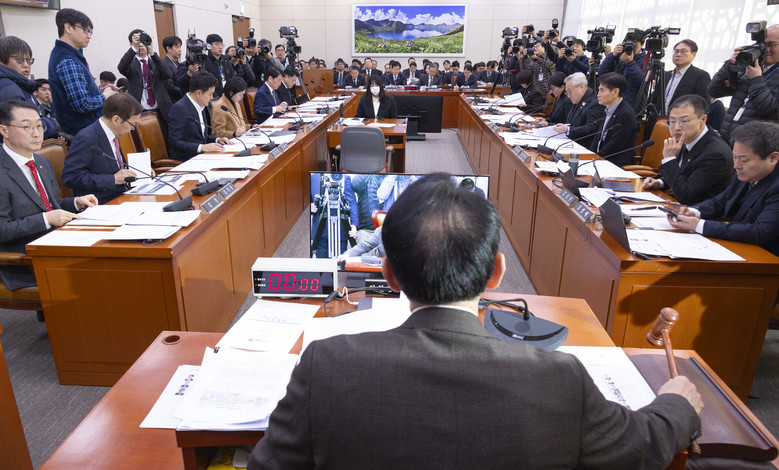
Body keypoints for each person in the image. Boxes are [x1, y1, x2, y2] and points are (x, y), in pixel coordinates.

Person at [248, 172, 703, 469]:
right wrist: (677, 403)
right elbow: (641, 444)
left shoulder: (327, 364)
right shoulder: (557, 377)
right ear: (498, 273)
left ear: (389, 276)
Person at [0, 100, 97, 290]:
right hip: (23, 257)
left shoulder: (41, 162)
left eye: (39, 125)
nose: (36, 133)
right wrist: (46, 219)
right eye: (27, 127)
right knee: (97, 272)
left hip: (55, 242)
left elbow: (50, 205)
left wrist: (76, 203)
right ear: (4, 130)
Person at [668, 120, 779, 256]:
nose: (736, 165)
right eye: (734, 158)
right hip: (737, 248)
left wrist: (699, 225)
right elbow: (722, 201)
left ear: (773, 158)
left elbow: (759, 232)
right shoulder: (748, 172)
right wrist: (694, 211)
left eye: (743, 160)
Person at [643, 95, 733, 205]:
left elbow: (685, 195)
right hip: (678, 207)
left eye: (684, 121)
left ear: (703, 119)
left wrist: (669, 159)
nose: (676, 127)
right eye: (672, 121)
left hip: (699, 215)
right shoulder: (689, 138)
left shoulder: (716, 154)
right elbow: (682, 173)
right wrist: (659, 182)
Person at [62, 93, 143, 204]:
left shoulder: (112, 132)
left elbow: (113, 166)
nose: (133, 129)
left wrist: (142, 171)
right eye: (132, 124)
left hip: (122, 196)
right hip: (100, 202)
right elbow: (71, 177)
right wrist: (112, 179)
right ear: (116, 120)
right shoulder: (86, 138)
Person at [48, 8, 116, 136]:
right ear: (68, 28)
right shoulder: (67, 60)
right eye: (85, 30)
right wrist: (105, 96)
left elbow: (78, 95)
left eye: (90, 31)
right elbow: (82, 104)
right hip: (84, 132)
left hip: (85, 130)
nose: (89, 35)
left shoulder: (69, 55)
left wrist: (101, 91)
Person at [708, 24, 779, 140]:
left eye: (771, 45)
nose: (765, 50)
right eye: (762, 45)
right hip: (728, 137)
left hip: (757, 144)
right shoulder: (749, 66)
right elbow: (714, 90)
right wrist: (730, 66)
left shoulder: (754, 73)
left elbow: (772, 112)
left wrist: (756, 80)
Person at [0, 37, 59, 139]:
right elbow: (26, 129)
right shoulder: (9, 88)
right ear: (2, 60)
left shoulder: (17, 85)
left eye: (28, 60)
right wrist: (53, 124)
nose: (26, 65)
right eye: (19, 60)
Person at [117, 29, 173, 137]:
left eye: (143, 41)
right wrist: (134, 48)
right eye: (138, 41)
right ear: (131, 44)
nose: (141, 44)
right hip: (140, 113)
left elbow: (168, 75)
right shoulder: (131, 64)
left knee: (166, 143)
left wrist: (152, 53)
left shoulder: (156, 61)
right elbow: (121, 68)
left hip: (161, 111)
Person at [167, 71, 232, 161]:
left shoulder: (200, 105)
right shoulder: (179, 109)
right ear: (198, 93)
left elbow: (200, 137)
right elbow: (174, 142)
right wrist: (201, 147)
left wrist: (217, 140)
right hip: (187, 161)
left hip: (202, 158)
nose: (212, 97)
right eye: (210, 94)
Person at [588, 73, 638, 167]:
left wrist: (595, 159)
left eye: (602, 91)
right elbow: (597, 138)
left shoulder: (625, 114)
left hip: (616, 165)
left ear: (615, 92)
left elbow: (614, 145)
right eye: (598, 91)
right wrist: (590, 156)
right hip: (600, 161)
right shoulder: (608, 110)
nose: (598, 95)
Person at [553, 72, 605, 149]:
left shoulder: (594, 104)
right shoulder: (577, 100)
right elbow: (570, 124)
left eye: (570, 92)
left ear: (581, 87)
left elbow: (592, 129)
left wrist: (568, 129)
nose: (568, 96)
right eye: (567, 93)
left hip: (582, 148)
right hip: (568, 144)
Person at [597, 35, 646, 109]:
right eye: (627, 43)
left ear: (642, 44)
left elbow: (643, 83)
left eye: (634, 43)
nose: (630, 46)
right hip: (614, 102)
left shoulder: (646, 60)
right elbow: (602, 74)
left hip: (633, 106)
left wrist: (630, 62)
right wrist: (612, 55)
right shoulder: (620, 57)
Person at [660, 39, 711, 110]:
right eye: (676, 51)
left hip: (680, 119)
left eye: (683, 51)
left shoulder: (701, 76)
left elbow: (703, 105)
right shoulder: (666, 75)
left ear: (694, 55)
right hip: (659, 119)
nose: (678, 54)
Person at [160, 36, 184, 102]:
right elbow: (169, 86)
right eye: (177, 47)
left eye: (180, 47)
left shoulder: (178, 63)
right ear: (168, 49)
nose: (180, 50)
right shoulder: (164, 64)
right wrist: (185, 92)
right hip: (172, 101)